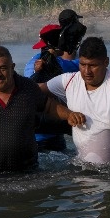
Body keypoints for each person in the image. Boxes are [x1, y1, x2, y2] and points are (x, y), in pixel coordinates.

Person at [42, 36, 110, 165]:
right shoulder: (68, 81)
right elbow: (35, 91)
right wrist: (66, 114)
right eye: (82, 64)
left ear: (106, 62)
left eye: (93, 65)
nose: (87, 71)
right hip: (84, 165)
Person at [24, 23, 80, 151]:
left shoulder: (31, 63)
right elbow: (83, 64)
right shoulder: (65, 65)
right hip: (56, 134)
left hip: (34, 136)